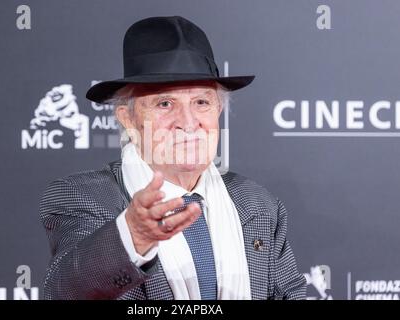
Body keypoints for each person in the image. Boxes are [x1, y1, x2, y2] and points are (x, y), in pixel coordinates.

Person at [39, 15, 306, 300]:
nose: (188, 123)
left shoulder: (258, 203)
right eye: (165, 103)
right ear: (127, 118)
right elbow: (65, 291)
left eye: (201, 102)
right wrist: (132, 237)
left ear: (218, 110)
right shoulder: (83, 196)